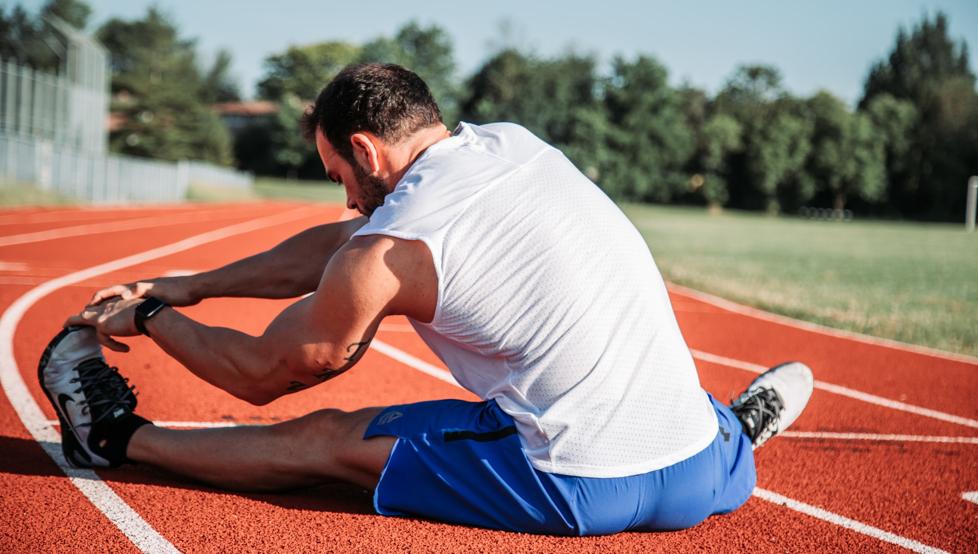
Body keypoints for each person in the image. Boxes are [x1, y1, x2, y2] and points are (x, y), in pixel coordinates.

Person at [39, 63, 813, 536]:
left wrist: (152, 316)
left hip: (575, 482)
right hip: (696, 473)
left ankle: (115, 440)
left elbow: (265, 373)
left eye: (339, 176)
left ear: (365, 150)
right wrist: (191, 285)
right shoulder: (511, 145)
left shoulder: (388, 250)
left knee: (325, 439)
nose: (346, 199)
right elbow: (344, 243)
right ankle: (737, 432)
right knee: (648, 379)